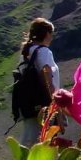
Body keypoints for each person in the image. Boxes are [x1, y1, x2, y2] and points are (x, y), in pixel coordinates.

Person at [17, 17, 62, 146]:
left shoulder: (26, 53)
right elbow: (46, 76)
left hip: (28, 104)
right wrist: (55, 104)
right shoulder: (43, 51)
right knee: (44, 141)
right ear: (47, 34)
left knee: (29, 139)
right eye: (51, 34)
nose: (51, 38)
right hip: (43, 105)